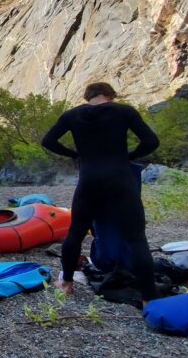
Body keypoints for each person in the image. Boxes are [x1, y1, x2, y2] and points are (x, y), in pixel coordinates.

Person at [41, 82, 160, 303]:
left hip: (89, 180)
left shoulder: (71, 115)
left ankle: (66, 283)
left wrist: (75, 155)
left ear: (88, 96)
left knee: (76, 232)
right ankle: (149, 298)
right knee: (135, 238)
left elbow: (47, 141)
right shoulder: (124, 111)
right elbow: (151, 141)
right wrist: (129, 156)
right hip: (120, 179)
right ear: (109, 95)